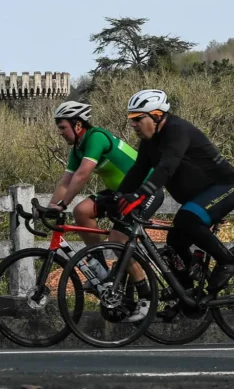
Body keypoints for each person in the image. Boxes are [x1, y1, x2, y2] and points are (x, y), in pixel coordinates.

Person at [115, 89, 234, 304]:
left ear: (156, 116)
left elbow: (166, 168)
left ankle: (229, 262)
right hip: (198, 197)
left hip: (227, 187)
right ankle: (186, 294)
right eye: (131, 120)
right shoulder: (149, 141)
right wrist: (119, 195)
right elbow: (137, 171)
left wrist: (139, 195)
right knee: (175, 240)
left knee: (187, 220)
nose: (133, 125)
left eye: (138, 119)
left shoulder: (178, 130)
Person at [47, 100, 150, 321]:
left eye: (62, 128)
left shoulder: (96, 137)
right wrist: (47, 210)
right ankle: (101, 269)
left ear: (77, 125)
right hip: (120, 193)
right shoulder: (78, 148)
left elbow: (81, 176)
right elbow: (65, 181)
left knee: (119, 240)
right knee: (82, 211)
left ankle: (146, 297)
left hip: (144, 191)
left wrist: (62, 204)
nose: (60, 133)